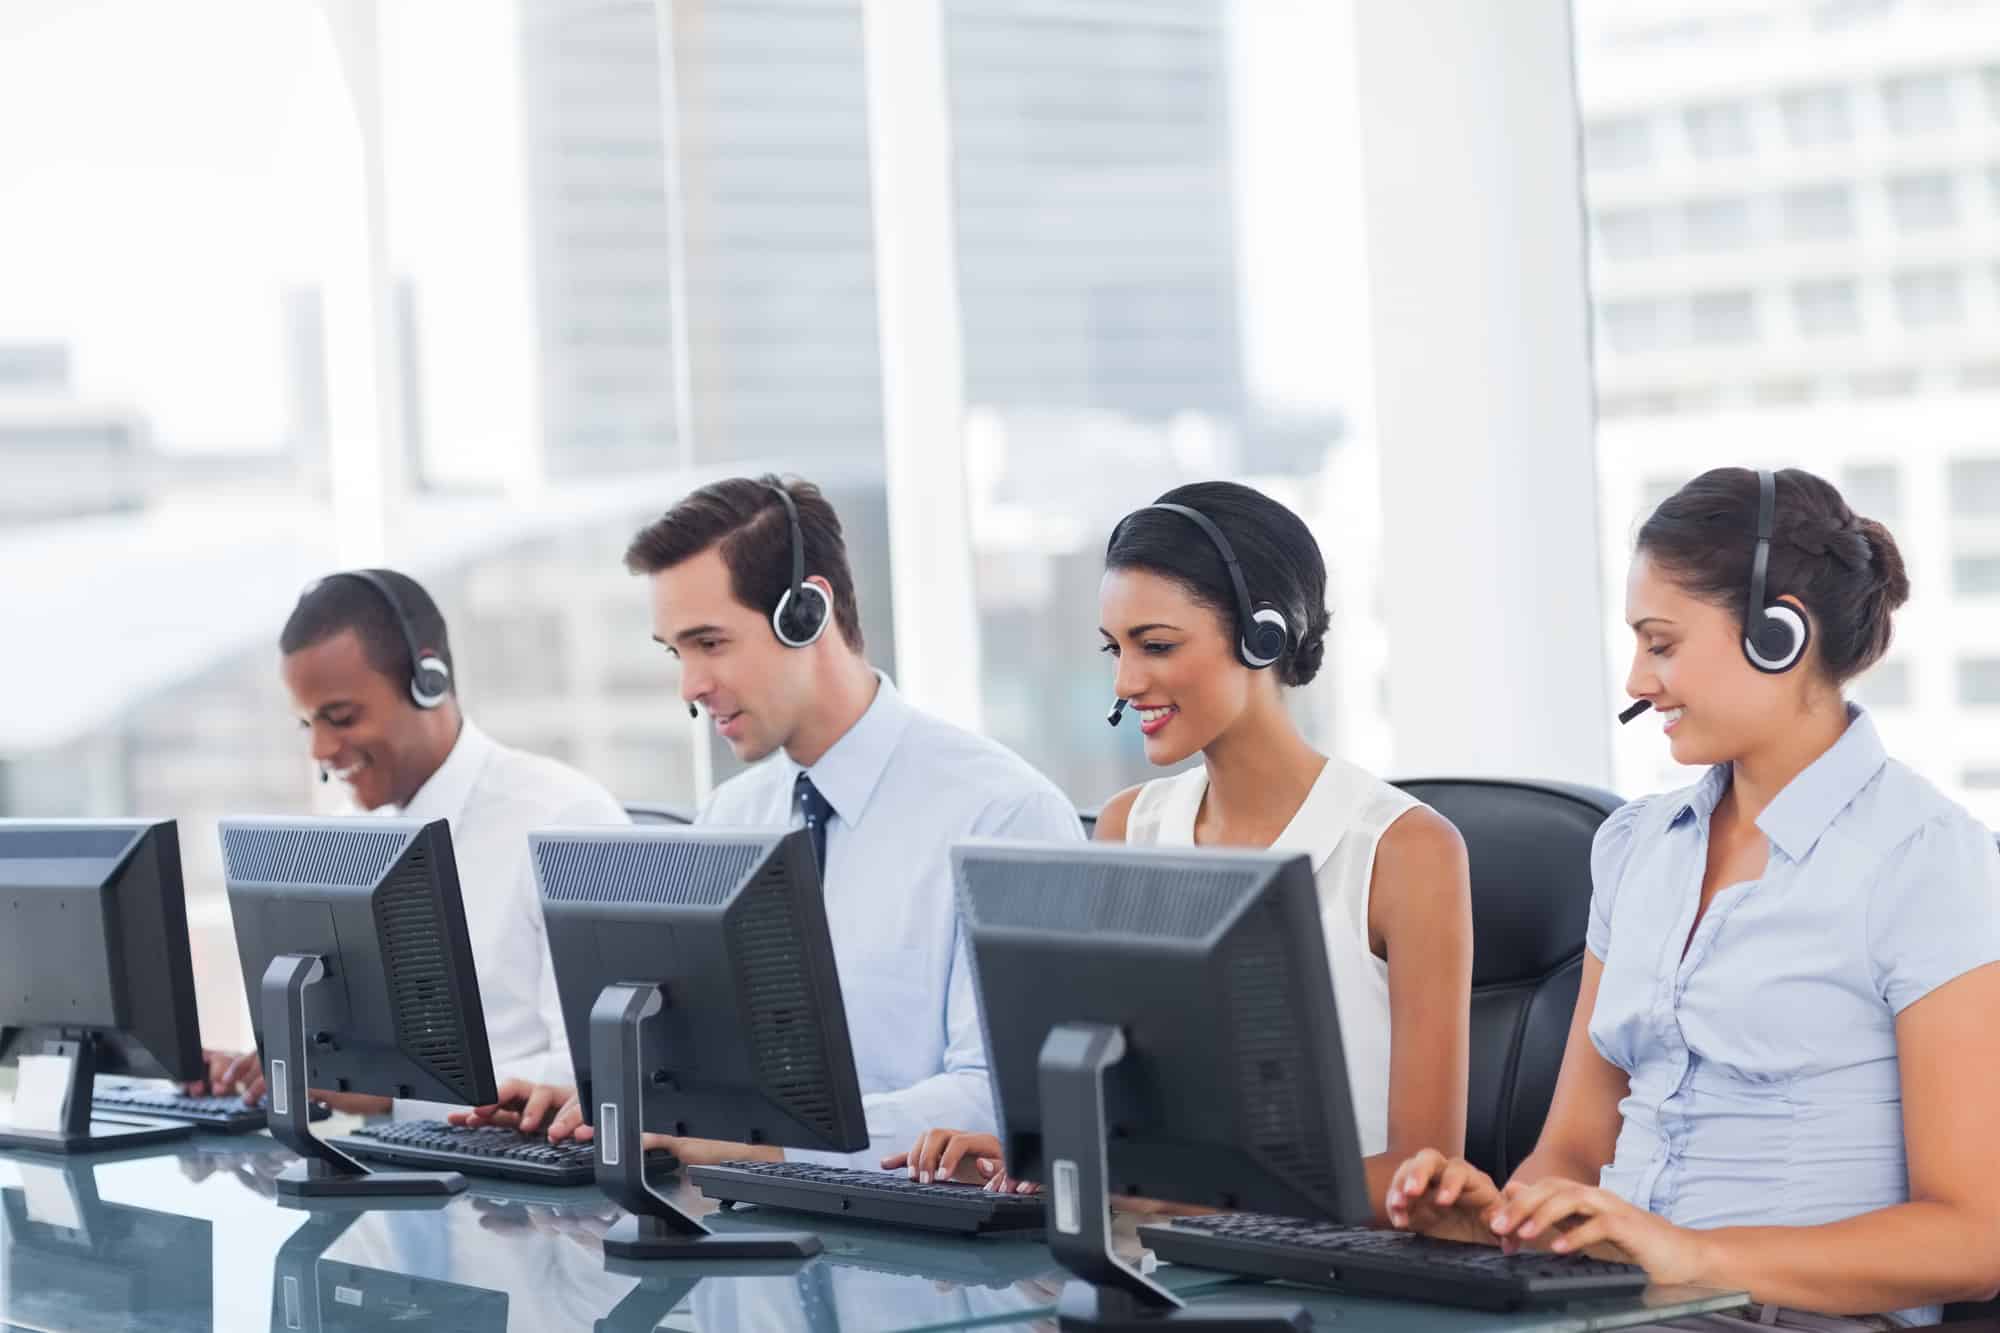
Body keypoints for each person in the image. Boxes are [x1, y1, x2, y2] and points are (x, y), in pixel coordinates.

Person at [1387, 467, 2000, 1327]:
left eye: (1662, 643)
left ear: (1779, 634)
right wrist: (1497, 1225)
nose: (1638, 679)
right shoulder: (1637, 848)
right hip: (1614, 1304)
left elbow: (1974, 1240)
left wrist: (1692, 1256)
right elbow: (1573, 1147)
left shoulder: (1929, 860)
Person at [886, 481, 1474, 1223]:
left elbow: (1425, 1182)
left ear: (1264, 635)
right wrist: (1045, 1158)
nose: (1126, 682)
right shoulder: (1129, 826)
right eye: (1115, 648)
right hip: (1161, 1263)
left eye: (1156, 645)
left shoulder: (1405, 849)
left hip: (1330, 1283)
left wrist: (1177, 1198)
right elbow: (1122, 1122)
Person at [453, 476, 1082, 1167]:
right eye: (676, 652)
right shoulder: (730, 818)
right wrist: (587, 1093)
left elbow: (996, 1097)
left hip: (920, 1258)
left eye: (711, 643)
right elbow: (698, 1065)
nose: (689, 685)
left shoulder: (1003, 814)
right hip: (740, 1238)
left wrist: (764, 1143)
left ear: (807, 612)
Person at [193, 569, 627, 1108]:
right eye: (308, 724)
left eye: (342, 717)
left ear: (429, 683)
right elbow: (347, 1060)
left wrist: (381, 1093)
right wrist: (259, 1071)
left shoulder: (564, 819)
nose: (321, 751)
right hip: (387, 1168)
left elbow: (593, 1075)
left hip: (519, 1180)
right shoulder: (347, 843)